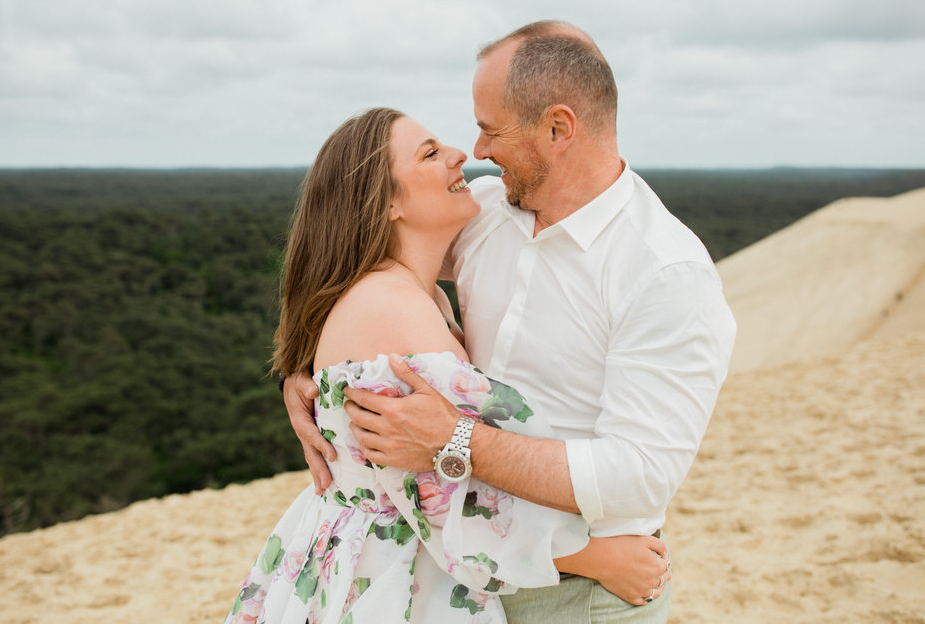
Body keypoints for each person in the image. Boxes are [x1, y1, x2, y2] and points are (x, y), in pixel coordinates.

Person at [285, 21, 736, 623]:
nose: (476, 152)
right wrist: (316, 379)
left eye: (490, 129)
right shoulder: (488, 212)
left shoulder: (664, 272)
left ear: (558, 128)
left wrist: (454, 441)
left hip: (585, 590)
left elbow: (640, 475)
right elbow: (363, 251)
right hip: (460, 576)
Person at [224, 107, 671, 624]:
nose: (461, 153)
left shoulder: (418, 295)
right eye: (430, 153)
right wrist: (595, 558)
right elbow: (434, 496)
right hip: (392, 576)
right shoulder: (393, 310)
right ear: (387, 201)